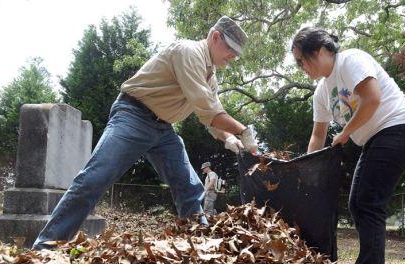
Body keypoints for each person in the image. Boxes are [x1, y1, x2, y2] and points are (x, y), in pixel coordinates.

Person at [33, 16, 258, 250]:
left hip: (164, 130)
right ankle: (44, 250)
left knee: (190, 188)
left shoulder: (211, 76)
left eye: (236, 53)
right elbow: (208, 110)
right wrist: (243, 131)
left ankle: (200, 250)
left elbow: (213, 121)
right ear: (215, 37)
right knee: (95, 178)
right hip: (133, 115)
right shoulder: (188, 52)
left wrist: (230, 139)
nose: (233, 56)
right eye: (231, 49)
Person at [291, 27, 405, 264]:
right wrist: (306, 170)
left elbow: (372, 99)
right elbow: (318, 135)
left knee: (368, 201)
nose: (300, 66)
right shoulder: (321, 92)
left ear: (318, 51)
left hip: (399, 129)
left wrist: (346, 133)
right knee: (359, 203)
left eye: (301, 60)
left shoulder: (350, 60)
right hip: (375, 140)